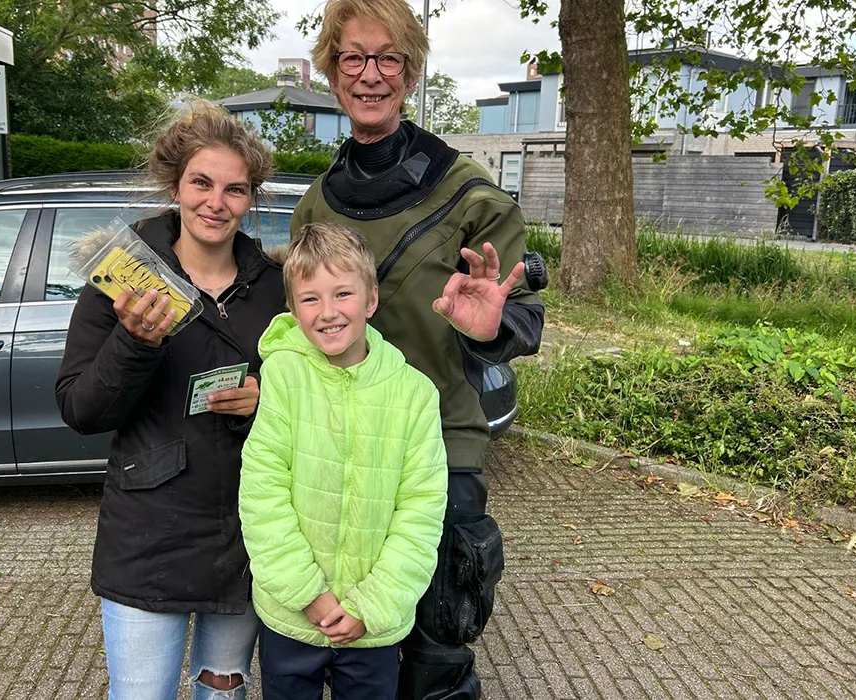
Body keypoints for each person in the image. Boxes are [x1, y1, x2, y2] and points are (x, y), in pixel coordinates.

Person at [293, 1, 546, 697]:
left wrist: (488, 326)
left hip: (439, 442)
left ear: (410, 73)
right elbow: (298, 328)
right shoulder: (316, 205)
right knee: (350, 656)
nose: (370, 74)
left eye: (388, 58)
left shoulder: (469, 194)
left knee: (436, 654)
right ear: (332, 72)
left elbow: (523, 320)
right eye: (353, 57)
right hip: (341, 453)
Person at [55, 101, 285, 700]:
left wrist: (269, 399)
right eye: (201, 183)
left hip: (248, 532)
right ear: (175, 184)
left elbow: (317, 396)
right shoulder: (123, 277)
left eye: (235, 189)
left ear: (251, 198)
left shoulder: (275, 289)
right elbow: (82, 410)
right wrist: (135, 341)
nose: (216, 202)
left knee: (223, 693)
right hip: (149, 536)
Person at [239, 222, 448, 700]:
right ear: (293, 309)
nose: (328, 312)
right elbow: (262, 494)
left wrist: (371, 605)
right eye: (310, 299)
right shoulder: (282, 376)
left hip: (373, 625)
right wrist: (307, 594)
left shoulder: (415, 394)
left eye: (343, 294)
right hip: (292, 616)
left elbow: (421, 510)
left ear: (371, 300)